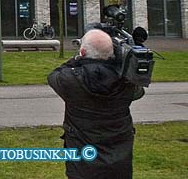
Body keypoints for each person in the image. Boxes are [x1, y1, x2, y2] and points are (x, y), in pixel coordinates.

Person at [48, 29, 145, 179]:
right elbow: (139, 92)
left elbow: (54, 75)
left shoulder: (71, 80)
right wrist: (118, 61)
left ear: (83, 51)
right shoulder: (126, 81)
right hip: (119, 161)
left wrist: (77, 58)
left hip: (83, 163)